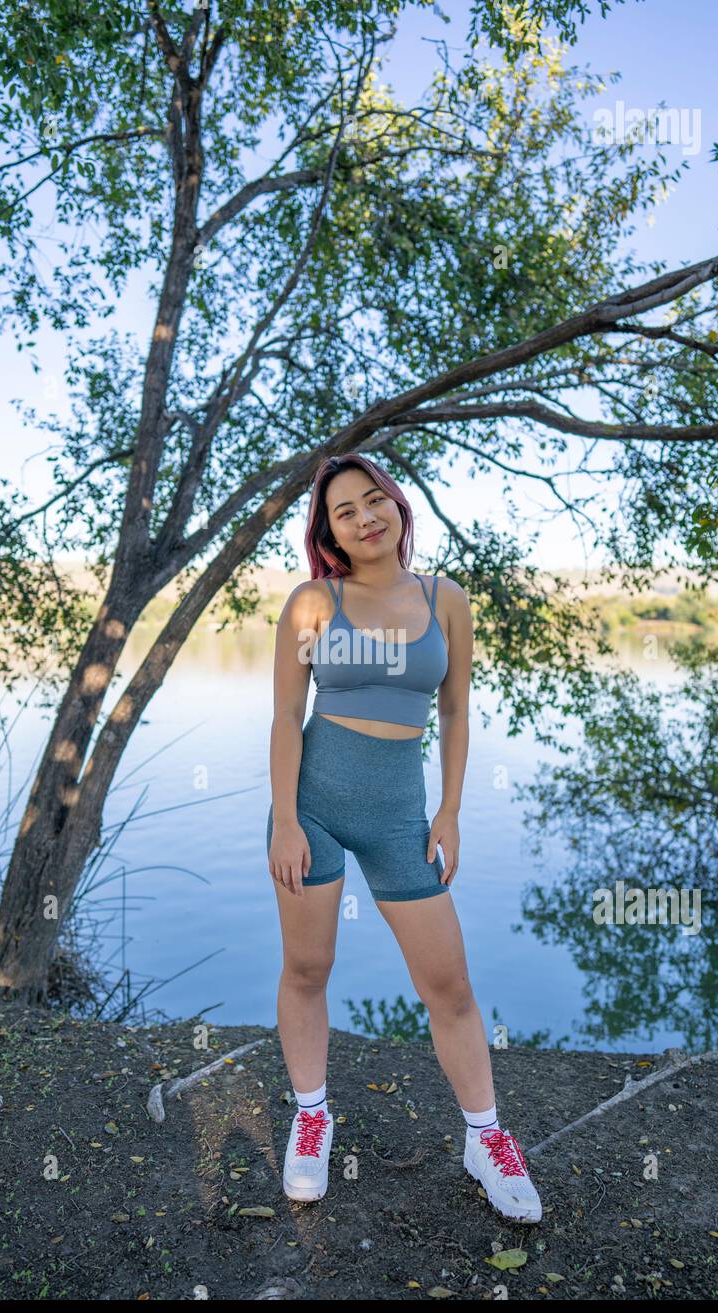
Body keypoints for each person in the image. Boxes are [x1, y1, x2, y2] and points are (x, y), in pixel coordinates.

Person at [266, 453, 541, 1223]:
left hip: (400, 819)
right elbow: (286, 717)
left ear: (396, 504)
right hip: (313, 808)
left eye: (373, 499)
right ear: (331, 534)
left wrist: (449, 811)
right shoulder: (313, 603)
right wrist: (285, 820)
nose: (365, 517)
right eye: (345, 512)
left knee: (448, 985)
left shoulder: (445, 599)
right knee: (308, 968)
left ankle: (485, 1138)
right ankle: (312, 1116)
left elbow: (454, 712)